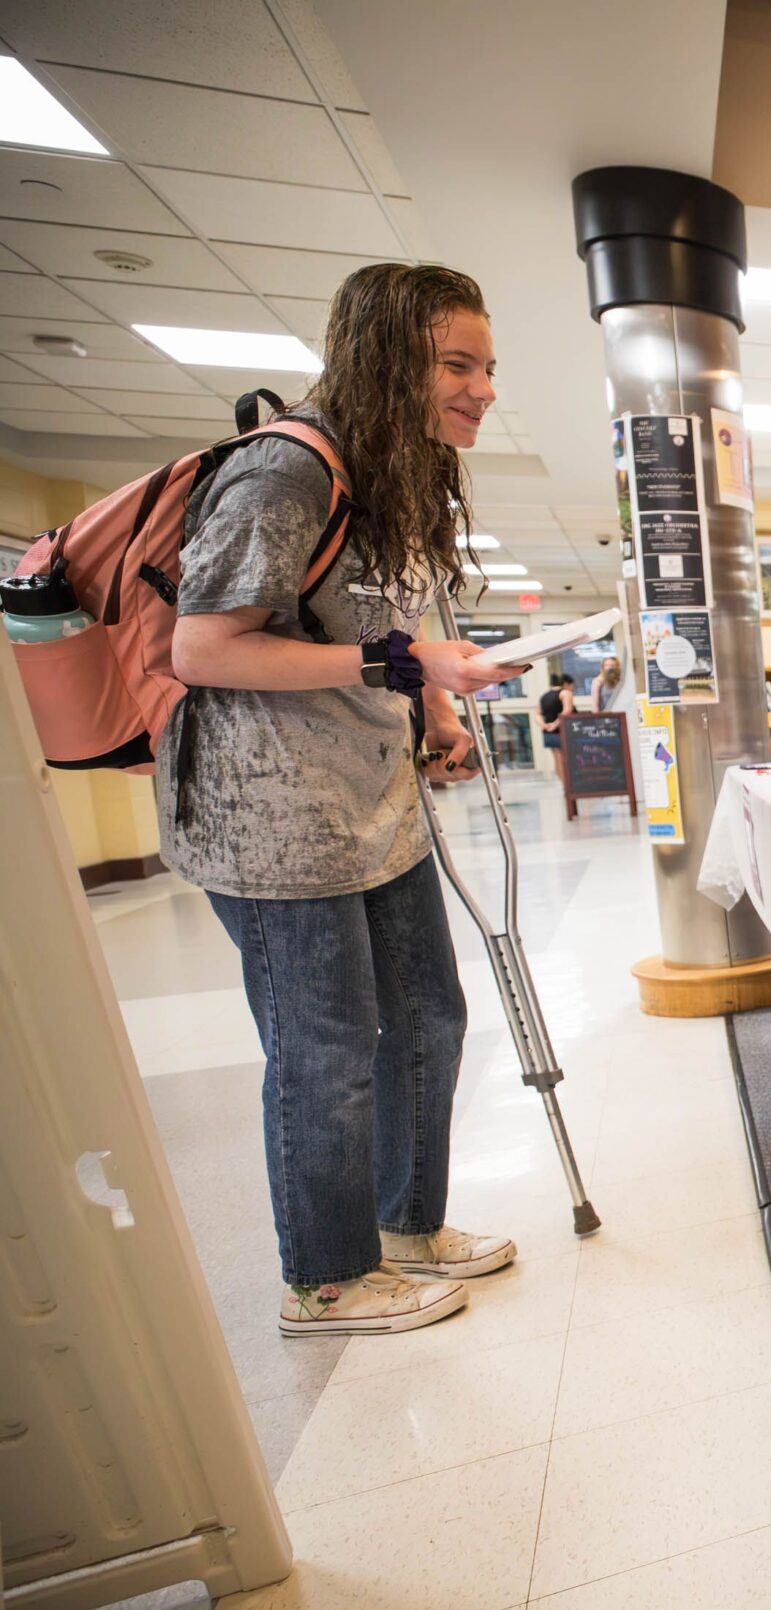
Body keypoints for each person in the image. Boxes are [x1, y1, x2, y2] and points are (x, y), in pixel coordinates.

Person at [164, 262, 525, 1337]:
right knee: (326, 1047)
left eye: (487, 367)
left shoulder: (394, 476)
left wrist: (435, 706)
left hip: (374, 798)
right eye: (456, 365)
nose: (483, 389)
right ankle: (326, 1278)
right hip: (274, 818)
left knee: (427, 1016)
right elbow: (203, 648)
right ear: (386, 361)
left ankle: (405, 1223)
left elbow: (378, 627)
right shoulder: (285, 472)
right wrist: (397, 663)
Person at [539, 665, 568, 750]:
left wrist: (544, 725)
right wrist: (555, 724)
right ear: (564, 683)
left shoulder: (544, 696)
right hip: (562, 731)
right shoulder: (565, 693)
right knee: (566, 756)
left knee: (557, 757)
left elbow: (537, 714)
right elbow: (567, 711)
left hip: (548, 731)